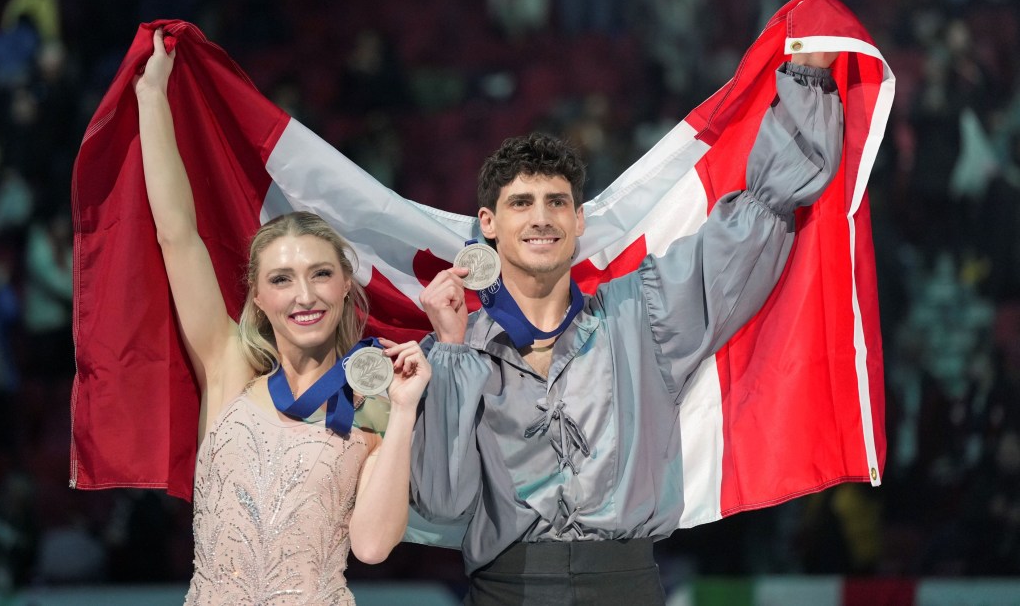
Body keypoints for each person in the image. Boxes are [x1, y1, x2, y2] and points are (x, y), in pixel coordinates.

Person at [411, 51, 843, 604]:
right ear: (489, 224)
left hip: (625, 585)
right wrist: (448, 352)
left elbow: (754, 223)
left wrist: (807, 79)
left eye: (556, 202)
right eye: (521, 202)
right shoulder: (454, 347)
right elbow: (441, 502)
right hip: (504, 589)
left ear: (578, 220)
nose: (541, 217)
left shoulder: (643, 314)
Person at [135, 29, 427, 604]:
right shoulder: (228, 369)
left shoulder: (370, 402)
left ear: (346, 286)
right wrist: (152, 97)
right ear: (258, 297)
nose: (304, 295)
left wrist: (405, 414)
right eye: (281, 279)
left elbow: (370, 547)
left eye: (321, 274)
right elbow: (176, 234)